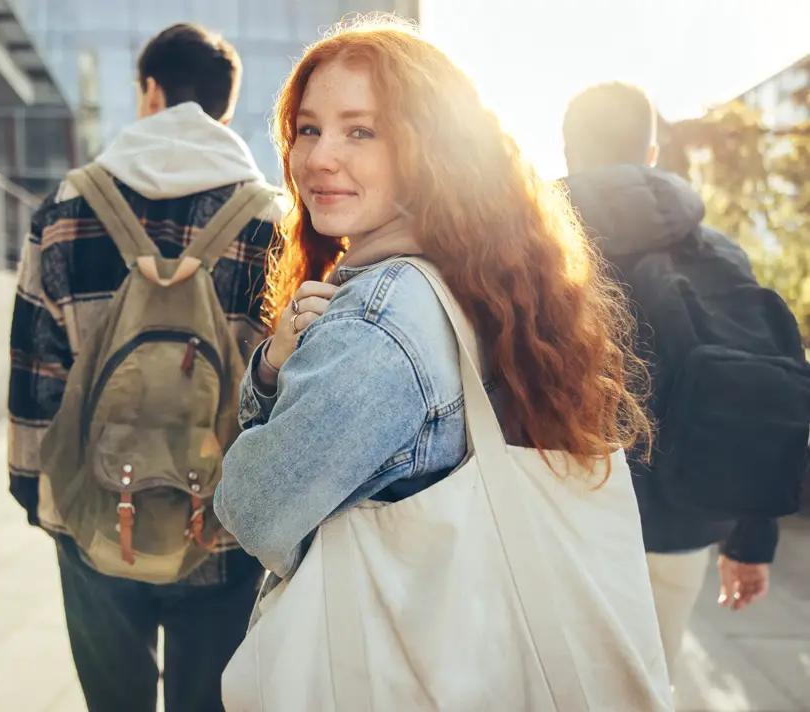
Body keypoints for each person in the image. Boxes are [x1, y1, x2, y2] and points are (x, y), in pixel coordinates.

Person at [214, 17, 671, 710]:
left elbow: (252, 509)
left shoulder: (380, 318)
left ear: (428, 148)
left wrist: (268, 373)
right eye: (307, 129)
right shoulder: (479, 277)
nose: (317, 158)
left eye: (360, 131)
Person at [8, 22, 283, 712]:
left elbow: (33, 367)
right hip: (220, 520)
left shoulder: (68, 206)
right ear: (223, 106)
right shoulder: (269, 217)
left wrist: (35, 493)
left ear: (150, 91)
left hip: (95, 508)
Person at [561, 81, 803, 680]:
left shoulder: (537, 248)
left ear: (568, 153)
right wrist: (749, 539)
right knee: (649, 682)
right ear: (650, 154)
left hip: (563, 517)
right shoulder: (717, 249)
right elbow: (755, 389)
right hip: (684, 518)